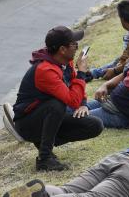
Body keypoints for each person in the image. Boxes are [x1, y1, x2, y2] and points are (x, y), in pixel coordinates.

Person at [10, 26, 104, 171]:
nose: (76, 48)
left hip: (48, 118)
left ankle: (45, 142)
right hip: (27, 124)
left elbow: (75, 92)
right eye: (74, 45)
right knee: (56, 104)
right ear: (62, 49)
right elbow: (71, 100)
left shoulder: (66, 62)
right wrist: (81, 73)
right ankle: (44, 159)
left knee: (95, 125)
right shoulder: (45, 70)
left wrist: (83, 104)